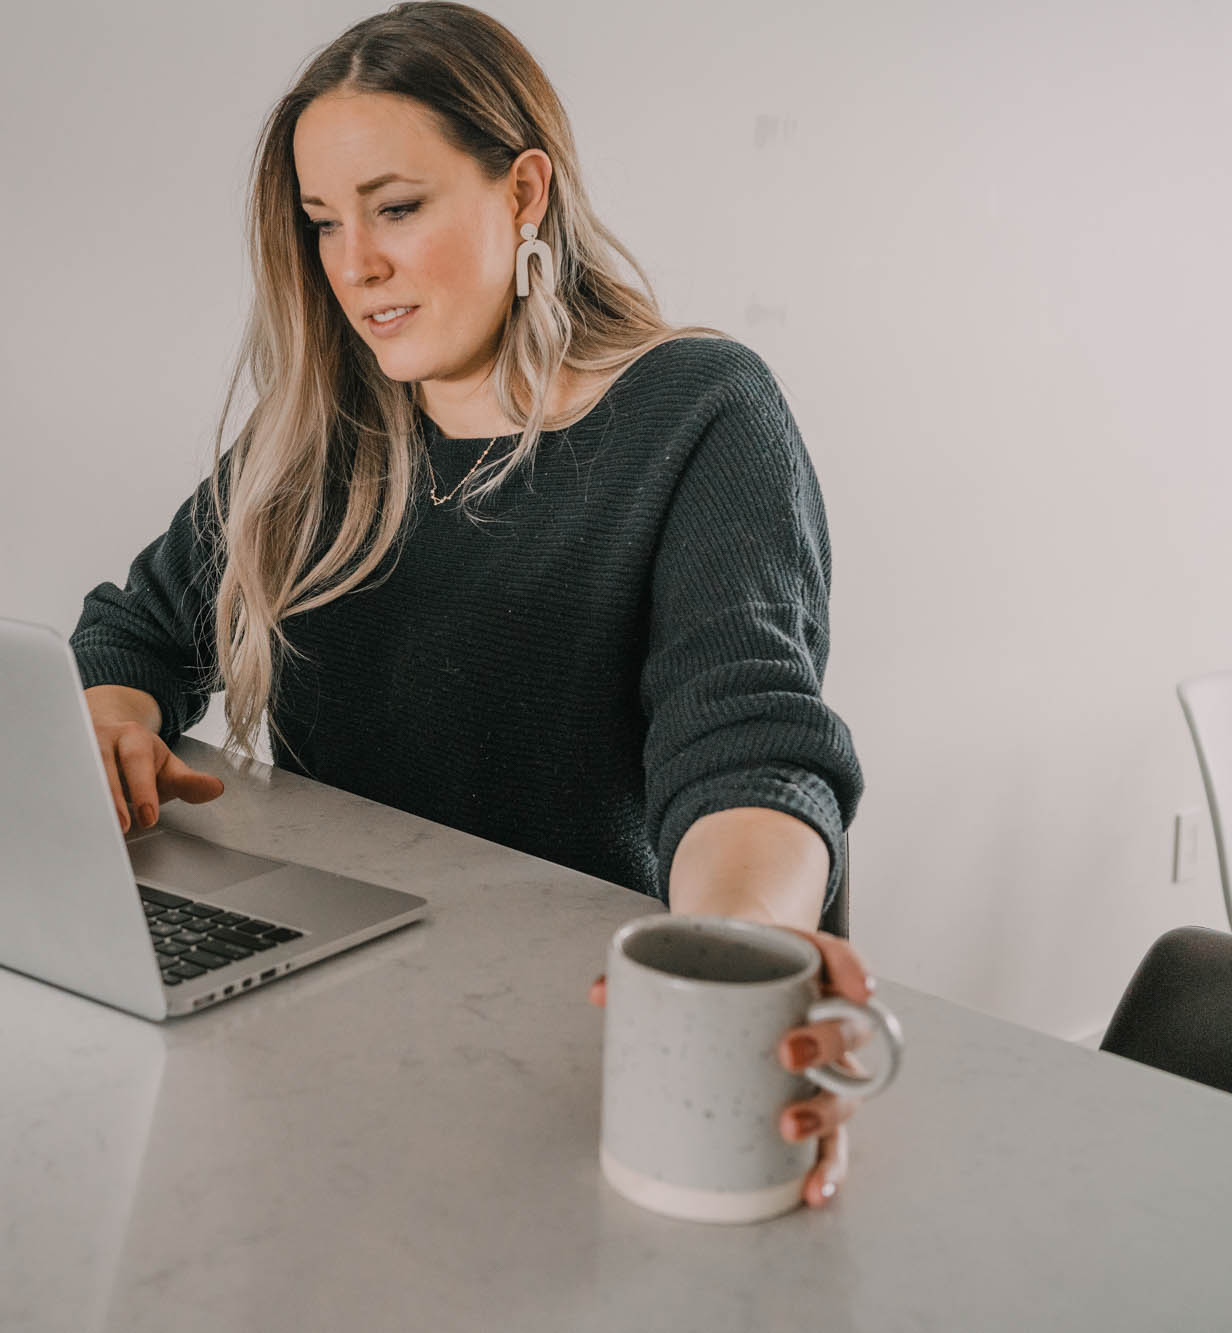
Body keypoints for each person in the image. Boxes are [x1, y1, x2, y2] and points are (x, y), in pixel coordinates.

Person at [69, 2, 871, 1209]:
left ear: (522, 192)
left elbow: (747, 748)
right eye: (323, 222)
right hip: (324, 1013)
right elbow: (137, 630)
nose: (354, 265)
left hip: (571, 1042)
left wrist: (735, 957)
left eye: (395, 208)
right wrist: (109, 717)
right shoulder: (317, 439)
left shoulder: (700, 413)